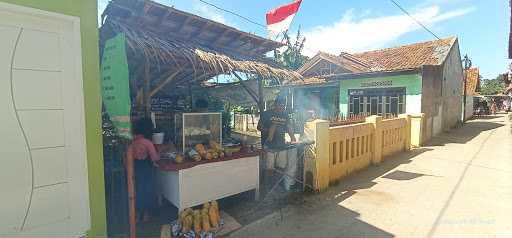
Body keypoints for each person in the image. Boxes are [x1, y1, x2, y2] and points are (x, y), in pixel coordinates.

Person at [131, 118, 160, 223]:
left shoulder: (132, 141)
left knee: (137, 192)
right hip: (146, 170)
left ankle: (137, 216)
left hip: (135, 169)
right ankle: (146, 216)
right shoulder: (147, 142)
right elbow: (155, 158)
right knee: (148, 191)